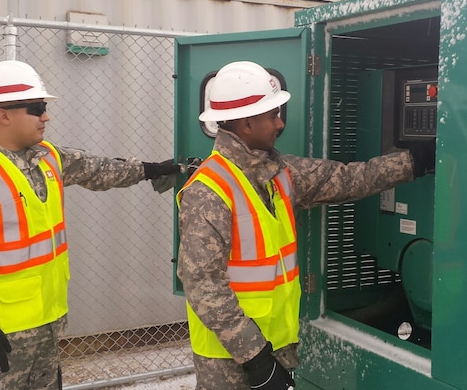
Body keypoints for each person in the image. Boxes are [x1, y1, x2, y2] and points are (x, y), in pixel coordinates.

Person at [0, 59, 180, 389]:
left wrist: (150, 169)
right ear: (3, 114)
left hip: (47, 328)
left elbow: (96, 169)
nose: (46, 116)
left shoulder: (46, 157)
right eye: (37, 107)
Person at [176, 61, 435, 389]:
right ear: (245, 123)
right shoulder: (208, 191)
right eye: (272, 116)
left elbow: (345, 179)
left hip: (277, 349)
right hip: (231, 362)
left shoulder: (277, 172)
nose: (280, 123)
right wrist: (256, 359)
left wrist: (415, 161)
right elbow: (203, 285)